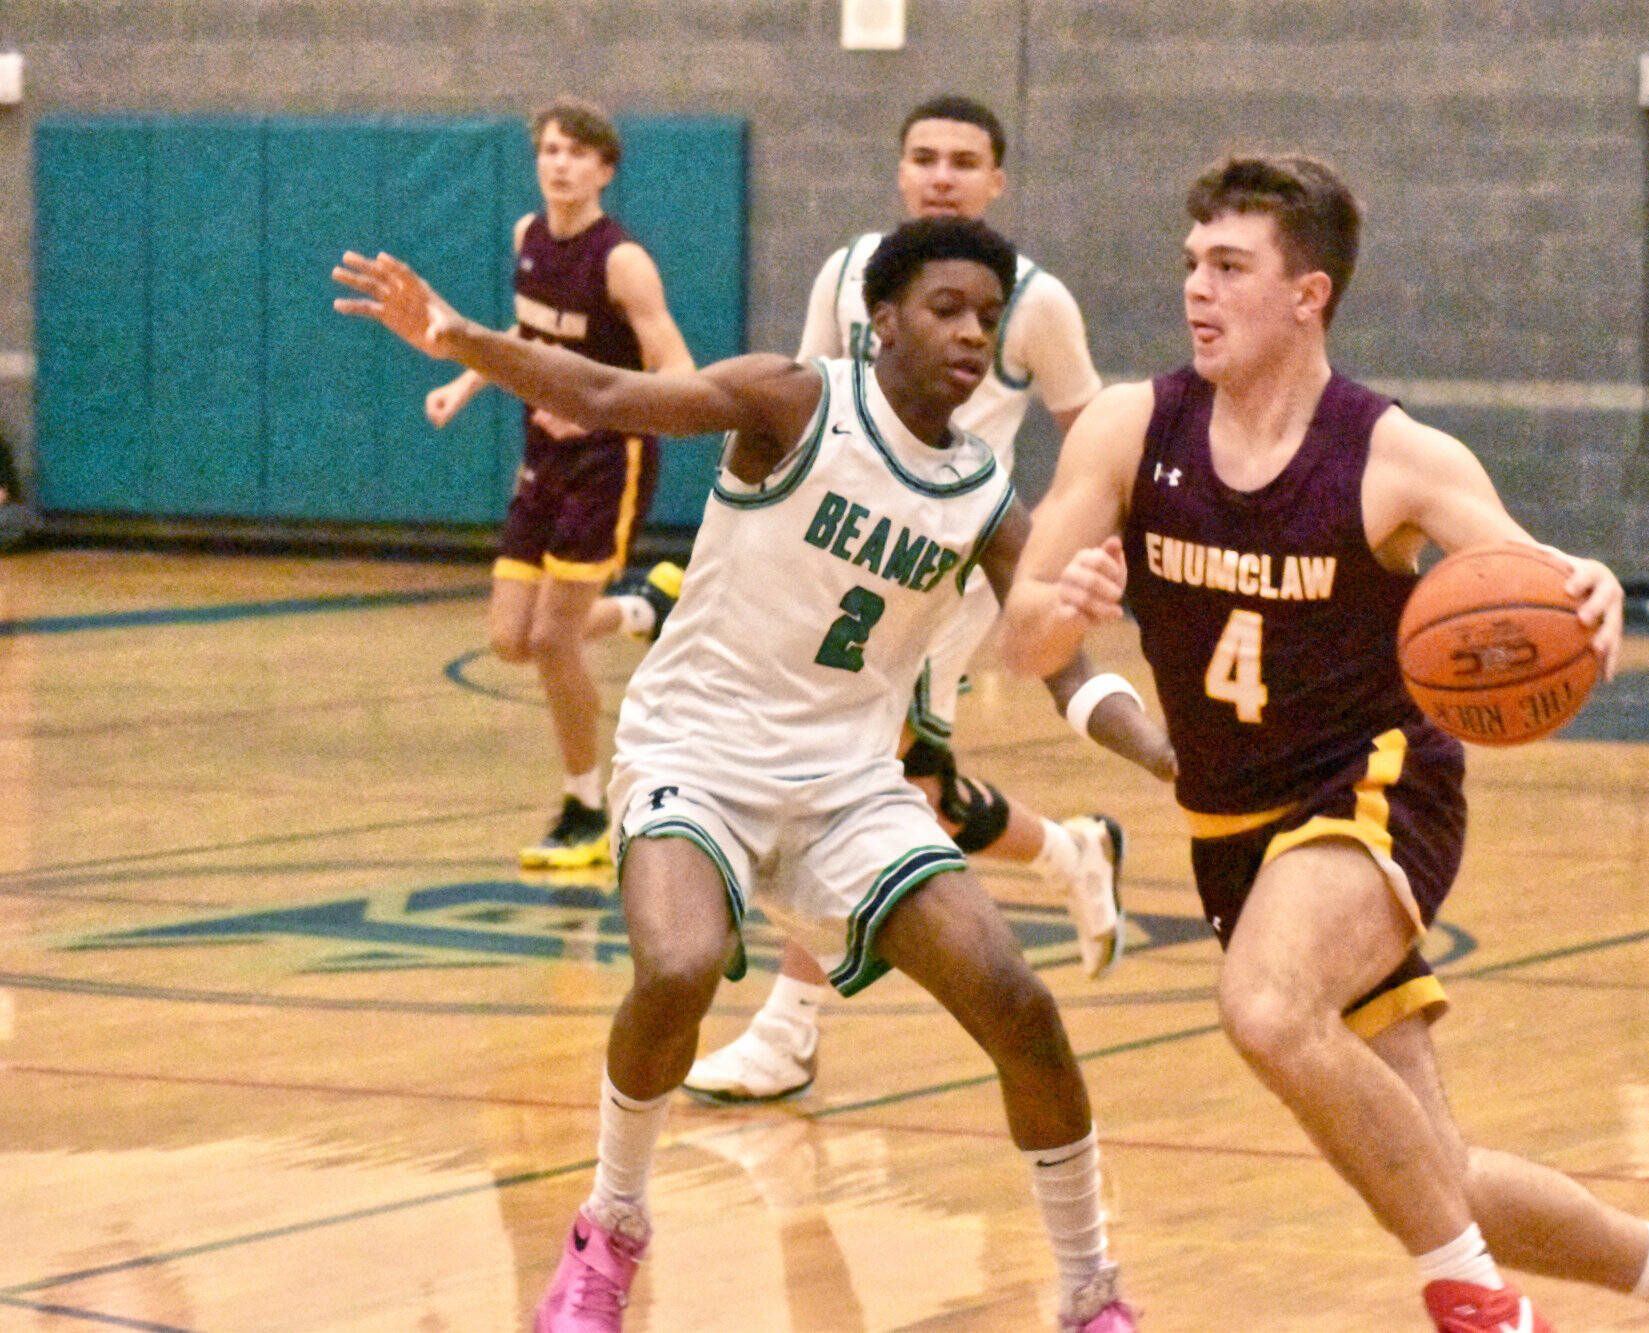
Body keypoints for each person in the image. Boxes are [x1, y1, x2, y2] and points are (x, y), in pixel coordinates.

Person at [999, 153, 1649, 1333]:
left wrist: (1587, 584)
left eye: (1229, 266)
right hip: (1229, 827)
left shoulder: (1392, 456)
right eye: (1191, 263)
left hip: (1369, 789)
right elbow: (1020, 639)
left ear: (1306, 293)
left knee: (1266, 1008)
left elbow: (1534, 582)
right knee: (1432, 1173)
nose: (1196, 289)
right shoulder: (1129, 429)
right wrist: (1062, 606)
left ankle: (1475, 1303)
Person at [334, 216, 1139, 1333]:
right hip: (697, 751)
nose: (972, 334)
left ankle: (1091, 1293)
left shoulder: (983, 496)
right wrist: (460, 336)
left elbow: (1067, 672)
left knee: (1019, 1001)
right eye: (947, 308)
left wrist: (1168, 753)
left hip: (846, 787)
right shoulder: (793, 401)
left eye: (988, 319)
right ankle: (609, 1230)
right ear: (884, 318)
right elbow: (607, 393)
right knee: (678, 965)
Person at [681, 93, 1164, 1105]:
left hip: (942, 572)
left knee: (845, 776)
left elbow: (1094, 441)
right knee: (908, 787)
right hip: (834, 555)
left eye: (964, 160)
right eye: (925, 157)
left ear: (997, 181)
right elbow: (810, 393)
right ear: (900, 171)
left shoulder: (1037, 302)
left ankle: (787, 1028)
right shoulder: (847, 274)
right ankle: (1067, 849)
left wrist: (1062, 559)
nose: (942, 174)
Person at [423, 95, 695, 871]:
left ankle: (586, 808)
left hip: (609, 462)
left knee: (552, 640)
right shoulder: (528, 236)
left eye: (577, 153)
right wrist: (466, 381)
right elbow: (529, 335)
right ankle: (646, 607)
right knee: (510, 638)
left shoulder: (622, 261)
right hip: (542, 456)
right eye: (549, 150)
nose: (560, 164)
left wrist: (598, 411)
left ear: (605, 170)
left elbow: (678, 371)